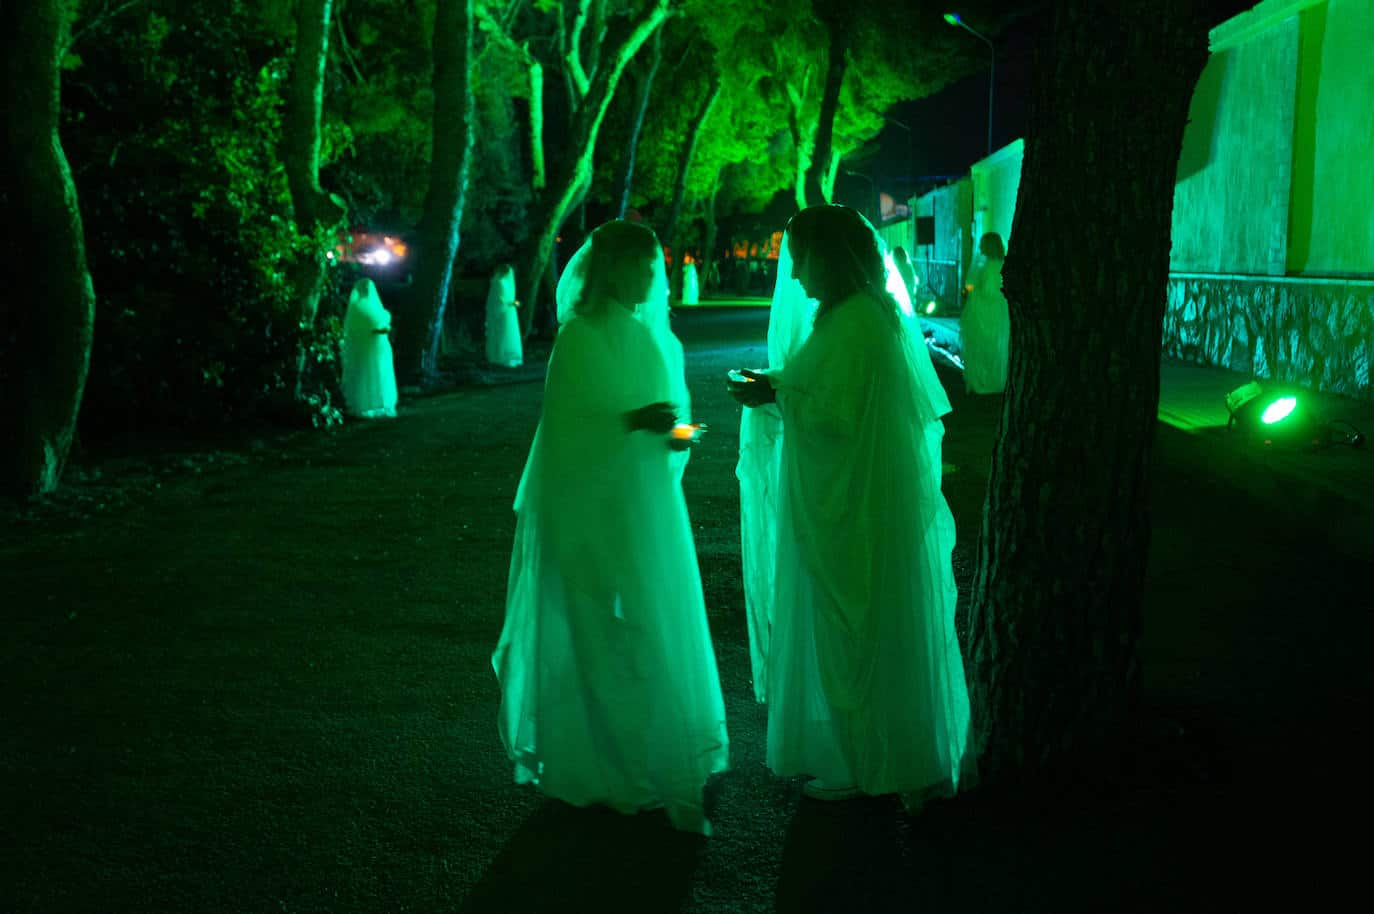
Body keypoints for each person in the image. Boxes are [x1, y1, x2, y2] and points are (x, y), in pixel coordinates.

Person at [728, 204, 970, 810]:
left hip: (851, 517)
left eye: (802, 259)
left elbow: (837, 420)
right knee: (848, 632)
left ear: (829, 258)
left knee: (851, 632)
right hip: (848, 510)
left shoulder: (858, 321)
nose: (796, 275)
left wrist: (776, 392)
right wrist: (780, 386)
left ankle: (858, 758)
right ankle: (859, 753)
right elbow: (832, 395)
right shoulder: (850, 317)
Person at [492, 220, 728, 835]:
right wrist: (633, 423)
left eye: (656, 269)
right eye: (644, 267)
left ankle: (650, 756)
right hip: (589, 513)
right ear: (613, 269)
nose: (654, 278)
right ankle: (601, 767)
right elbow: (571, 430)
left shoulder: (651, 340)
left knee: (652, 626)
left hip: (647, 511)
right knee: (595, 631)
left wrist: (681, 434)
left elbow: (665, 426)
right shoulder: (581, 338)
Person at [341, 277, 398, 418]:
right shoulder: (357, 307)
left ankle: (381, 402)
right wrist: (378, 330)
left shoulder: (373, 305)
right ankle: (365, 404)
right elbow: (358, 329)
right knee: (367, 374)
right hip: (366, 349)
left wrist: (383, 329)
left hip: (379, 348)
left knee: (380, 373)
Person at [961, 232, 1010, 394]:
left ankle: (983, 381)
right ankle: (996, 379)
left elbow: (984, 291)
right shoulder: (1004, 264)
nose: (980, 247)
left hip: (984, 313)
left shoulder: (986, 267)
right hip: (1001, 313)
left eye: (982, 243)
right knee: (997, 347)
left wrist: (970, 291)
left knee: (981, 347)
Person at [485, 263, 524, 367]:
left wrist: (512, 303)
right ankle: (501, 357)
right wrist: (512, 303)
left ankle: (507, 356)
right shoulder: (499, 283)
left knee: (508, 334)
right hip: (503, 315)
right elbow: (499, 300)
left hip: (509, 314)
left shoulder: (504, 282)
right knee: (503, 334)